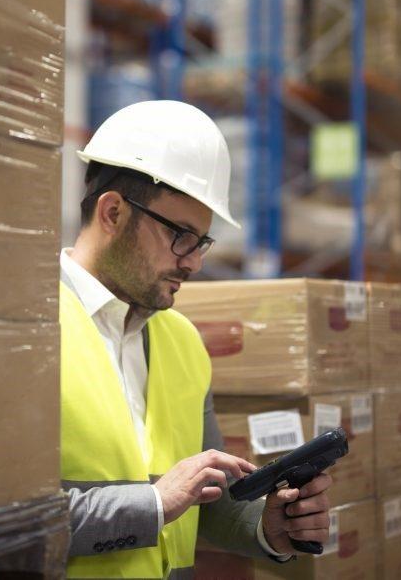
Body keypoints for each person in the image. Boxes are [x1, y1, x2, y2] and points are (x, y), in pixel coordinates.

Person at [58, 101, 333, 578]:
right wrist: (153, 503)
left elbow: (203, 505)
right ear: (113, 213)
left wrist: (268, 528)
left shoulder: (182, 343)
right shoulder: (20, 331)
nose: (194, 263)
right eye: (181, 235)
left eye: (202, 241)